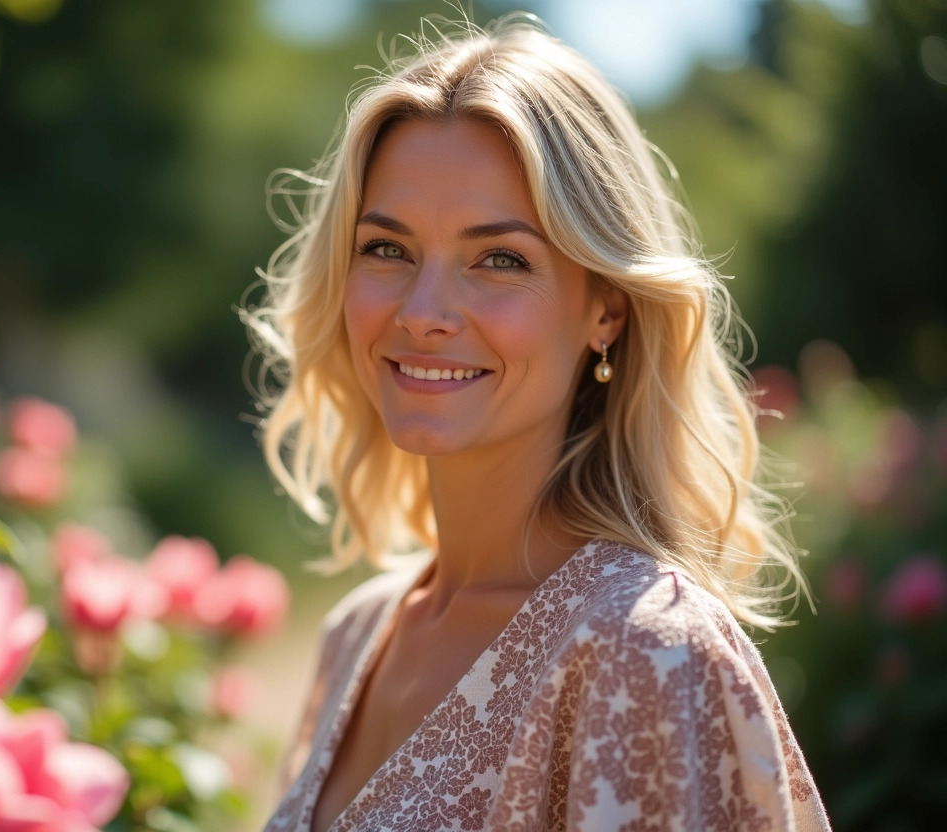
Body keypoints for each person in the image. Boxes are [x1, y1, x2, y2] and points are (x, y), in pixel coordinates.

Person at [244, 13, 831, 832]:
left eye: (501, 260)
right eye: (387, 249)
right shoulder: (355, 638)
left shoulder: (647, 655)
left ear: (607, 311)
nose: (423, 312)